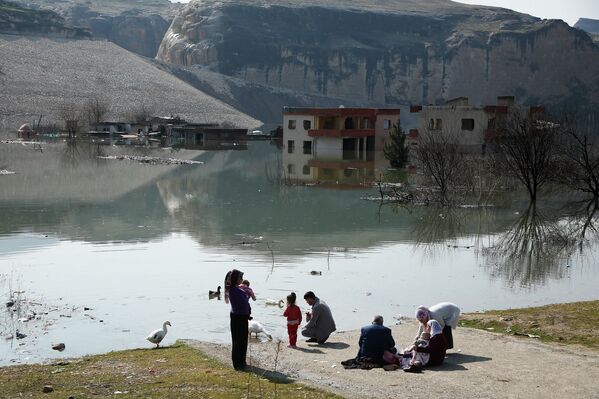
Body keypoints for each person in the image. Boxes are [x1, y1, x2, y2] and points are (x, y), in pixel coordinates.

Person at [224, 269, 251, 370]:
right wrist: (247, 296)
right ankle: (238, 363)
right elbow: (243, 302)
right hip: (238, 318)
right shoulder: (234, 291)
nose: (242, 280)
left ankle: (242, 361)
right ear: (236, 279)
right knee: (238, 341)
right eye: (241, 278)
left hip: (241, 317)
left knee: (243, 340)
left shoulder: (237, 289)